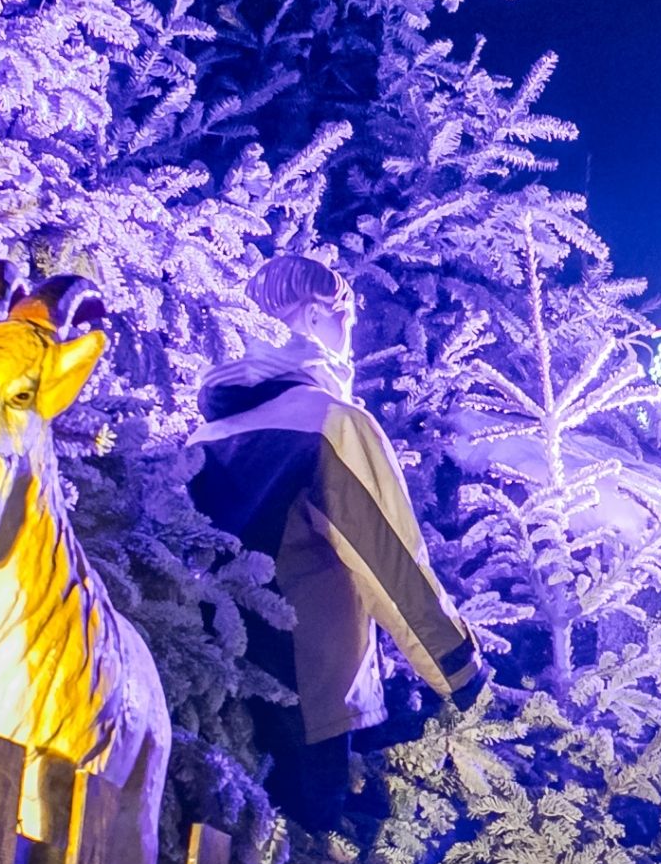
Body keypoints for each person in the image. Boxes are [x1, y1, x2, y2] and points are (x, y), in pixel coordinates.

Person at [189, 256, 490, 834]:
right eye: (347, 317)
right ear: (312, 317)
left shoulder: (205, 434)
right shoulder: (332, 422)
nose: (352, 337)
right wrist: (459, 671)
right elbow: (391, 562)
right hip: (311, 698)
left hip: (216, 690)